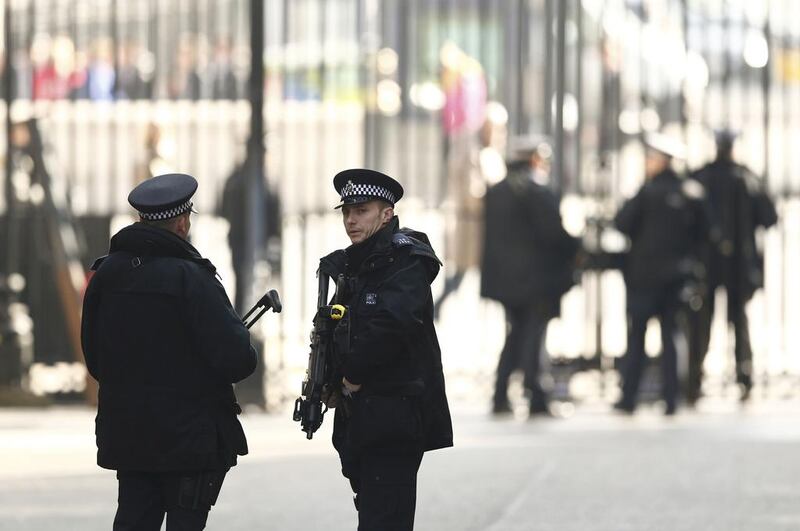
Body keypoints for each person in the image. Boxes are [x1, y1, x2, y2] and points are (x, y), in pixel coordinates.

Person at [81, 173, 257, 530]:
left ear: (141, 219)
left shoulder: (107, 275)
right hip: (189, 443)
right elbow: (238, 361)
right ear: (181, 223)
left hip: (129, 434)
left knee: (133, 519)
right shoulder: (192, 278)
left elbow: (95, 359)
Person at [320, 168, 453, 531]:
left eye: (361, 210)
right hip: (363, 418)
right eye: (346, 211)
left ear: (387, 213)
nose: (350, 219)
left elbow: (393, 325)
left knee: (384, 520)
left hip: (394, 414)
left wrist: (351, 375)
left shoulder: (405, 260)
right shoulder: (355, 263)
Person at [480, 136, 580, 416]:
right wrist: (577, 247)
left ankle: (501, 394)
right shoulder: (537, 190)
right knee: (532, 336)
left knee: (516, 334)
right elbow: (554, 235)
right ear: (536, 159)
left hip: (504, 281)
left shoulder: (497, 190)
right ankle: (536, 395)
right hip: (535, 280)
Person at [614, 133, 710, 415]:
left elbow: (623, 223)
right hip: (676, 277)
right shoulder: (691, 192)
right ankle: (671, 398)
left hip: (645, 277)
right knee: (672, 337)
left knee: (638, 338)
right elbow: (706, 233)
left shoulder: (647, 192)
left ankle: (629, 396)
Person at [687, 130, 778, 403]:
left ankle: (696, 377)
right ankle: (741, 374)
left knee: (708, 320)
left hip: (713, 262)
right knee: (734, 320)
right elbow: (769, 216)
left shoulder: (703, 177)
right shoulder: (745, 178)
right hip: (732, 262)